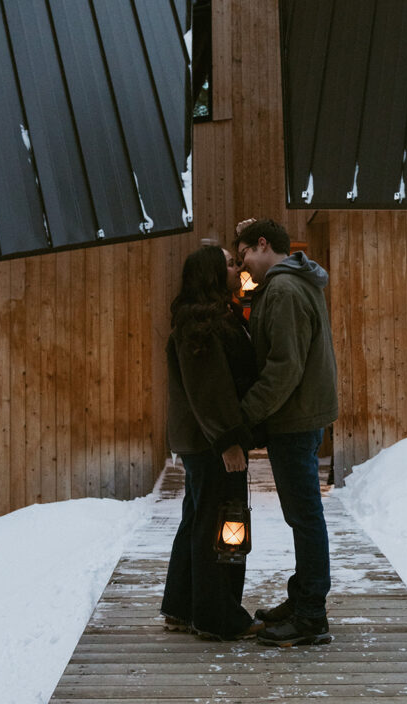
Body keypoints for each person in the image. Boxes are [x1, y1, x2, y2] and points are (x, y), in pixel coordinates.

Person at [233, 218, 338, 646]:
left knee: (305, 516)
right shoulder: (296, 281)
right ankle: (302, 600)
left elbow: (283, 369)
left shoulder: (283, 290)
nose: (244, 267)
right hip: (302, 416)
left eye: (244, 256)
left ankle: (312, 615)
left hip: (294, 420)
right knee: (303, 515)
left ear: (262, 245)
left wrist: (245, 417)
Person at [159, 245, 263, 641]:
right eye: (230, 264)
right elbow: (209, 391)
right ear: (211, 275)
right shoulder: (202, 325)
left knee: (199, 520)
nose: (238, 268)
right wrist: (228, 442)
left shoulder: (203, 319)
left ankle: (182, 607)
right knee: (220, 525)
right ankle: (217, 616)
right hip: (211, 443)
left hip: (201, 442)